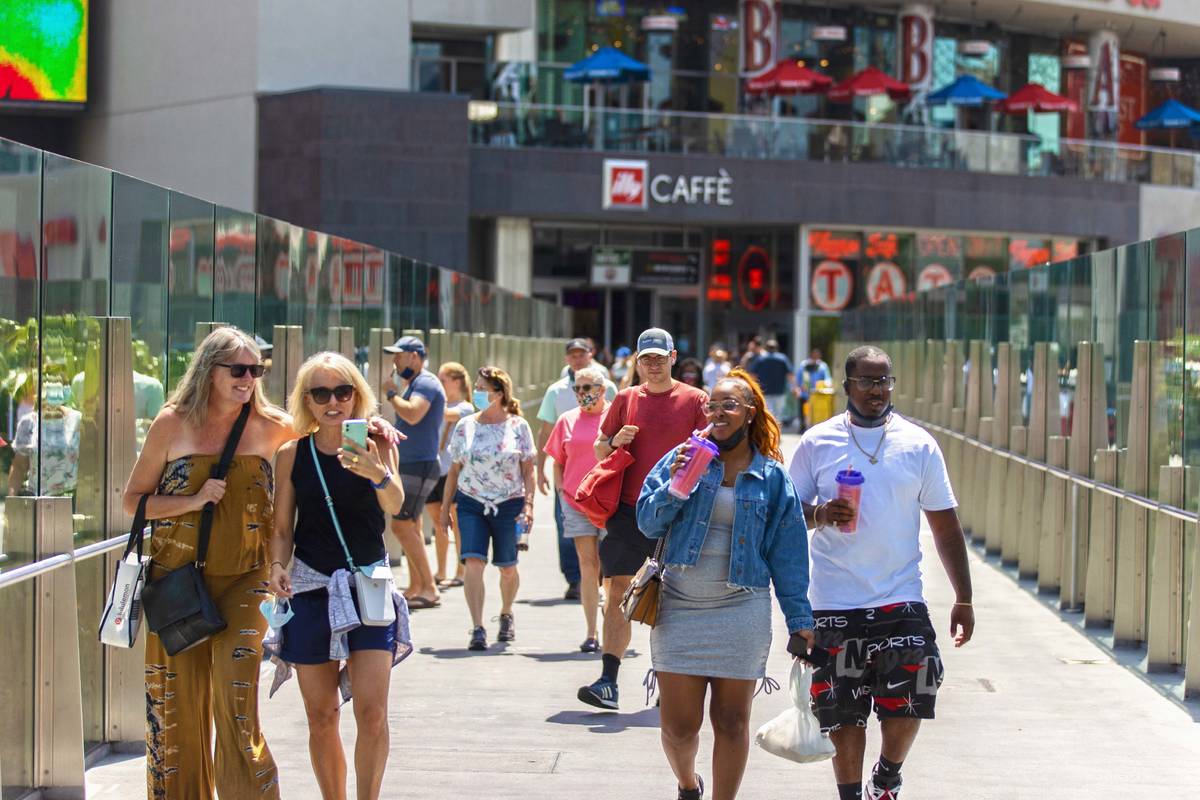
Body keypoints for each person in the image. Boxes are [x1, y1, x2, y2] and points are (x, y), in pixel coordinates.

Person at [787, 345, 975, 800]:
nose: (877, 390)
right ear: (847, 385)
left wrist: (963, 597)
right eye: (868, 381)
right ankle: (850, 794)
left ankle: (887, 775)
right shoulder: (817, 442)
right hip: (833, 600)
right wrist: (819, 515)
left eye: (885, 380)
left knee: (911, 698)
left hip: (900, 596)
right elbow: (788, 517)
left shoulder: (919, 444)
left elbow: (945, 524)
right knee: (841, 710)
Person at [120, 327, 293, 799]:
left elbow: (326, 441)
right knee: (176, 715)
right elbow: (131, 502)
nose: (247, 379)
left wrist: (373, 427)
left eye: (256, 370)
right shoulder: (172, 424)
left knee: (236, 703)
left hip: (247, 579)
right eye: (237, 369)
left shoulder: (273, 425)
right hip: (176, 583)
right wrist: (192, 500)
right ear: (208, 370)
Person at [638, 369, 814, 800]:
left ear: (750, 414)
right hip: (679, 605)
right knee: (679, 730)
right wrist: (678, 487)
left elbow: (788, 552)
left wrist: (800, 620)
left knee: (733, 722)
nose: (718, 413)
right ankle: (687, 783)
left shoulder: (772, 478)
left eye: (729, 405)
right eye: (711, 406)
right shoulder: (682, 457)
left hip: (742, 607)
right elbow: (647, 521)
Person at [266, 352, 411, 800]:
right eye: (321, 393)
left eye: (343, 391)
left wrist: (378, 474)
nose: (334, 402)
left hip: (368, 586)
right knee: (322, 716)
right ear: (306, 401)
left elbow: (396, 505)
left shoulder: (377, 443)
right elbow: (283, 526)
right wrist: (276, 565)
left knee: (372, 713)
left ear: (356, 395)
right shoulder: (293, 453)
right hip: (311, 590)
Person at [578, 328, 708, 710]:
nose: (652, 365)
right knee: (617, 590)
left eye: (658, 358)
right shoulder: (626, 399)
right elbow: (601, 448)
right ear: (637, 362)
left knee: (673, 599)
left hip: (678, 513)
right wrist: (615, 441)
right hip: (629, 509)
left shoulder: (695, 400)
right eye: (645, 359)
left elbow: (709, 452)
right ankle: (608, 680)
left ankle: (671, 681)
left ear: (672, 358)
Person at [440, 366, 536, 651]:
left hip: (509, 504)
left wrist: (528, 505)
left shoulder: (518, 426)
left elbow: (528, 470)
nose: (478, 393)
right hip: (471, 502)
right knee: (473, 562)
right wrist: (446, 508)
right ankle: (478, 626)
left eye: (483, 389)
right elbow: (454, 472)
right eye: (477, 388)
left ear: (499, 393)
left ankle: (506, 613)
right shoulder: (465, 425)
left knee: (508, 567)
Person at [537, 338, 618, 600]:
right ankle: (575, 581)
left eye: (581, 354)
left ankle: (604, 590)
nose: (577, 358)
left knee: (609, 554)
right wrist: (543, 472)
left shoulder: (611, 390)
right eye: (572, 354)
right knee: (568, 538)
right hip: (572, 489)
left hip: (607, 496)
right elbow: (546, 431)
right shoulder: (556, 392)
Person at [543, 364, 610, 653]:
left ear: (602, 390)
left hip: (611, 504)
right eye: (577, 388)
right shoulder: (567, 420)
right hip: (576, 501)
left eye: (587, 388)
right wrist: (561, 492)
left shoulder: (616, 418)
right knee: (588, 566)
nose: (581, 393)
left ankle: (613, 630)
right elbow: (558, 460)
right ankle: (591, 632)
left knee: (611, 571)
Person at [383, 335, 446, 610]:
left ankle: (429, 588)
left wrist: (390, 394)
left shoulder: (426, 382)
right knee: (413, 526)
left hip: (418, 463)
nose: (395, 362)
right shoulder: (415, 383)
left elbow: (413, 414)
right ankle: (417, 585)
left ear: (415, 356)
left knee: (400, 525)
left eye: (399, 355)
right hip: (413, 462)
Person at [426, 361, 474, 590]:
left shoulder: (465, 407)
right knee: (438, 522)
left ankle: (461, 570)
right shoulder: (438, 404)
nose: (439, 384)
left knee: (457, 523)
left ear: (456, 382)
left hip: (454, 472)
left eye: (442, 380)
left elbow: (448, 414)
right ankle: (441, 570)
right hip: (435, 469)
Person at [748, 339, 795, 423]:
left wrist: (754, 388)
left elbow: (752, 375)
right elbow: (790, 375)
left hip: (765, 392)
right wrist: (793, 387)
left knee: (767, 414)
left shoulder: (760, 359)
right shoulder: (782, 358)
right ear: (777, 348)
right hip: (779, 392)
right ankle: (777, 433)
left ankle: (770, 433)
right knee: (778, 415)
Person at [795, 348, 832, 431]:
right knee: (803, 411)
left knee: (815, 412)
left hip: (817, 395)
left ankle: (815, 427)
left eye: (817, 355)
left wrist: (827, 385)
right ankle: (802, 426)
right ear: (811, 355)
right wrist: (797, 389)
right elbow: (798, 379)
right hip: (804, 394)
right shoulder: (804, 365)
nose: (815, 356)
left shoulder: (823, 366)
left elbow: (827, 378)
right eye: (814, 354)